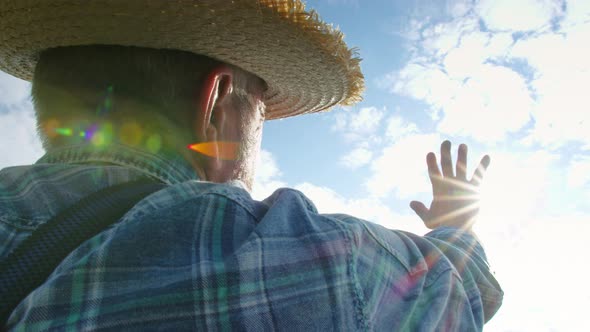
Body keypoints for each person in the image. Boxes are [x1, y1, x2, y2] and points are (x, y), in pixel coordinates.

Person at [0, 1, 502, 330]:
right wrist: (457, 227)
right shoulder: (311, 259)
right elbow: (451, 296)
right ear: (218, 103)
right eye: (262, 109)